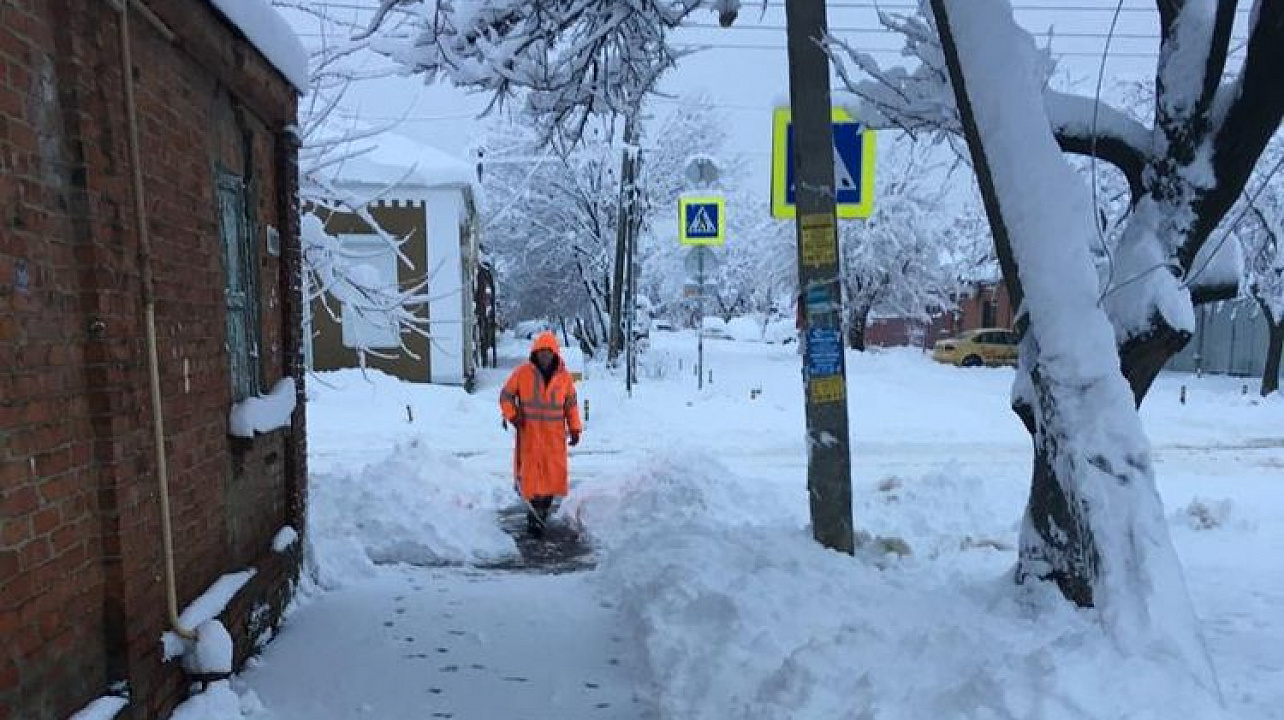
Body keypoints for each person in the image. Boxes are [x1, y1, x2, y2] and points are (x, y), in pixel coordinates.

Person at [499, 331, 583, 536]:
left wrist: (575, 428)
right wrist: (513, 416)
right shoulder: (523, 373)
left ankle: (541, 512)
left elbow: (571, 405)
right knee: (531, 479)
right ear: (535, 353)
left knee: (551, 479)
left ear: (554, 354)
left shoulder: (564, 378)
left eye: (548, 352)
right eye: (541, 352)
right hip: (531, 436)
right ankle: (534, 518)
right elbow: (506, 396)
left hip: (554, 439)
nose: (544, 356)